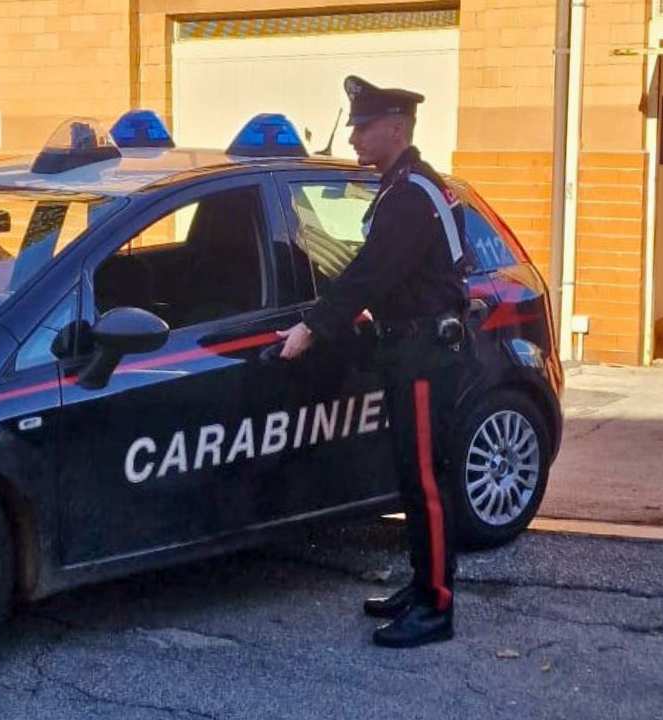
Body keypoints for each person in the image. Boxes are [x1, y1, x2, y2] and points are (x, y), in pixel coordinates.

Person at [276, 75, 470, 649]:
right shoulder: (402, 185)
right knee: (413, 479)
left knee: (425, 482)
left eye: (363, 126)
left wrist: (312, 325)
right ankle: (423, 583)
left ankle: (436, 606)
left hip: (423, 354)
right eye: (355, 125)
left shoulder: (411, 193)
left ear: (396, 128)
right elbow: (396, 273)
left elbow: (372, 270)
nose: (355, 135)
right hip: (409, 343)